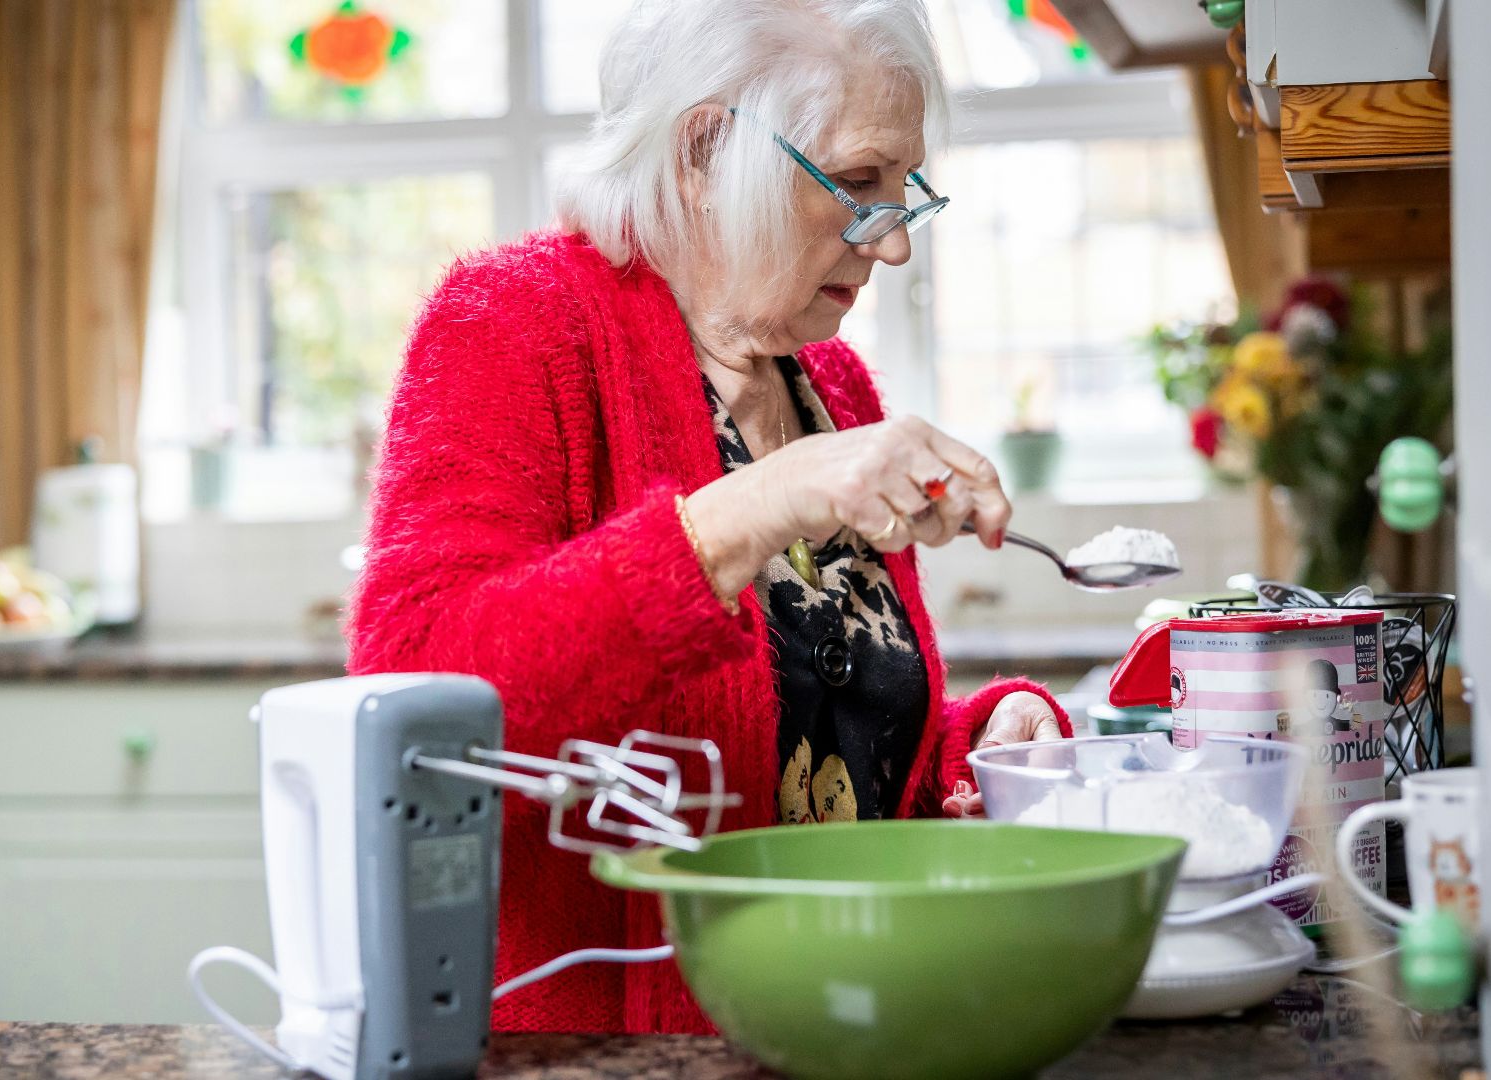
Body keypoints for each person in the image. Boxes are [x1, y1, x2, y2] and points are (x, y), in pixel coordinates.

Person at [348, 0, 1070, 1035]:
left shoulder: (832, 383)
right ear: (704, 148)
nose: (894, 243)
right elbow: (415, 703)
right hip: (601, 1050)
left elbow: (816, 758)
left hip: (854, 1023)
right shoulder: (511, 323)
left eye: (905, 191)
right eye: (857, 183)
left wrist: (976, 748)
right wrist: (758, 504)